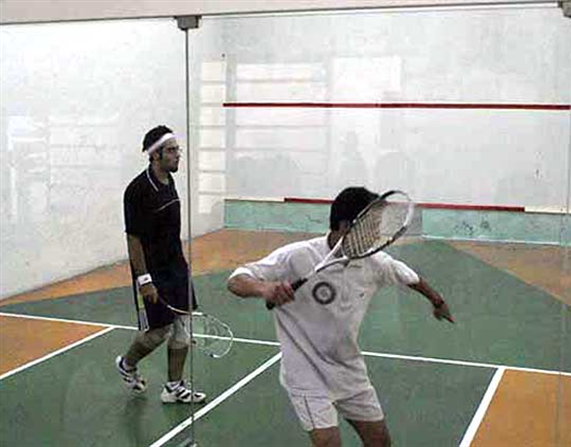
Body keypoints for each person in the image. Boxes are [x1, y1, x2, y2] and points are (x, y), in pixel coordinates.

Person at [227, 187, 453, 447]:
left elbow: (411, 278)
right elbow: (236, 279)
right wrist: (264, 288)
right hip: (306, 373)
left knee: (380, 443)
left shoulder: (376, 263)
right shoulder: (298, 255)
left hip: (348, 369)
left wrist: (437, 301)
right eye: (371, 226)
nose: (377, 234)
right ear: (346, 226)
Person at [115, 125, 205, 404]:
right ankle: (127, 364)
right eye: (172, 150)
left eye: (178, 149)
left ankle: (173, 387)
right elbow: (133, 239)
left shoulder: (169, 180)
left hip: (176, 267)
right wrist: (144, 280)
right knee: (157, 333)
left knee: (183, 328)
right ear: (155, 155)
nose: (178, 155)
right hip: (152, 273)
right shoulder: (137, 190)